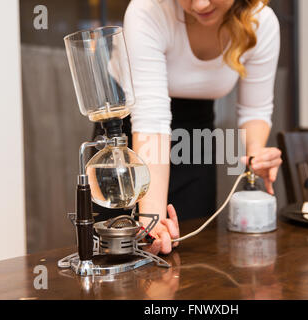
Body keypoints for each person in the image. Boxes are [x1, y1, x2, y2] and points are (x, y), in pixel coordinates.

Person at [120, 0, 282, 255]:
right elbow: (152, 121)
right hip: (132, 137)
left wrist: (255, 153)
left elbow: (255, 110)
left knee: (193, 254)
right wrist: (152, 222)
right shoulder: (148, 10)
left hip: (196, 135)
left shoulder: (262, 22)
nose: (200, 4)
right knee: (130, 253)